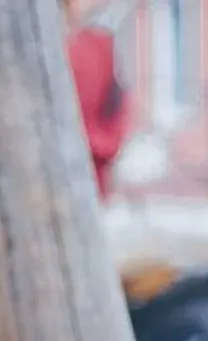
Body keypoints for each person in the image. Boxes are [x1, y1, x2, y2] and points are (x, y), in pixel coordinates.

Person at [66, 0, 129, 197]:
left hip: (93, 161)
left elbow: (119, 100)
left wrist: (106, 143)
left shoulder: (100, 45)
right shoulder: (57, 46)